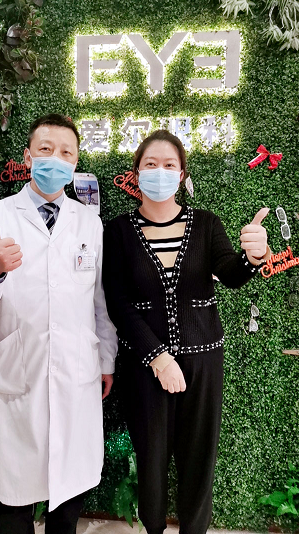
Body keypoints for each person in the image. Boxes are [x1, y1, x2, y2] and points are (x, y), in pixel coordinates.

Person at [102, 130, 270, 534]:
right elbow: (118, 304)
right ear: (136, 173)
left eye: (169, 165)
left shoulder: (206, 224)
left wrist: (253, 257)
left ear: (181, 175)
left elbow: (231, 273)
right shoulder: (118, 231)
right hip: (146, 366)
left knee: (199, 458)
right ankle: (154, 529)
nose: (159, 171)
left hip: (204, 362)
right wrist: (158, 358)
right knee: (151, 458)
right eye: (150, 164)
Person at [0, 113, 117, 534]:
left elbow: (99, 301)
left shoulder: (89, 223)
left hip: (76, 374)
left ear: (76, 162)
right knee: (13, 505)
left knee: (67, 504)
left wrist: (106, 359)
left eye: (66, 153)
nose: (55, 159)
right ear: (28, 156)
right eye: (46, 150)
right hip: (17, 375)